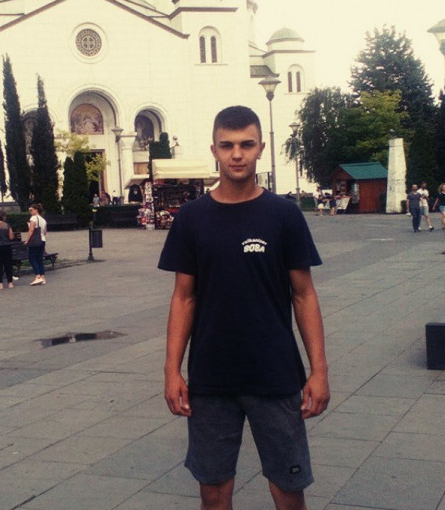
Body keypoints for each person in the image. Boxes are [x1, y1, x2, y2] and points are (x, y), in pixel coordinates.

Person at [158, 106, 329, 510]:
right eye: (227, 145)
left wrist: (319, 371)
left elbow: (304, 295)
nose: (237, 154)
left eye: (246, 144)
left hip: (275, 374)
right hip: (211, 379)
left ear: (261, 148)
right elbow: (183, 297)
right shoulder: (192, 218)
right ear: (214, 150)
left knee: (289, 491)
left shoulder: (284, 215)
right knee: (213, 494)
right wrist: (171, 370)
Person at [25, 203, 48, 286]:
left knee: (32, 258)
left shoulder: (33, 218)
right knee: (39, 259)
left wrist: (27, 240)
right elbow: (45, 232)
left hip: (35, 241)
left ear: (36, 210)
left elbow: (31, 230)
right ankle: (42, 277)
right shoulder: (43, 219)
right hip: (42, 240)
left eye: (31, 210)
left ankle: (37, 276)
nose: (30, 212)